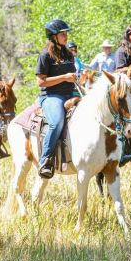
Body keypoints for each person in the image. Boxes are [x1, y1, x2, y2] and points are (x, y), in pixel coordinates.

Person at [36, 19, 79, 178]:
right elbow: (41, 82)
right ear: (53, 36)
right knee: (56, 122)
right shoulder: (45, 54)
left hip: (71, 93)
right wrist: (65, 77)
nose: (66, 36)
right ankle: (45, 160)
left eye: (66, 33)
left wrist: (76, 79)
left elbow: (70, 77)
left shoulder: (68, 53)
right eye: (62, 34)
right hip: (52, 96)